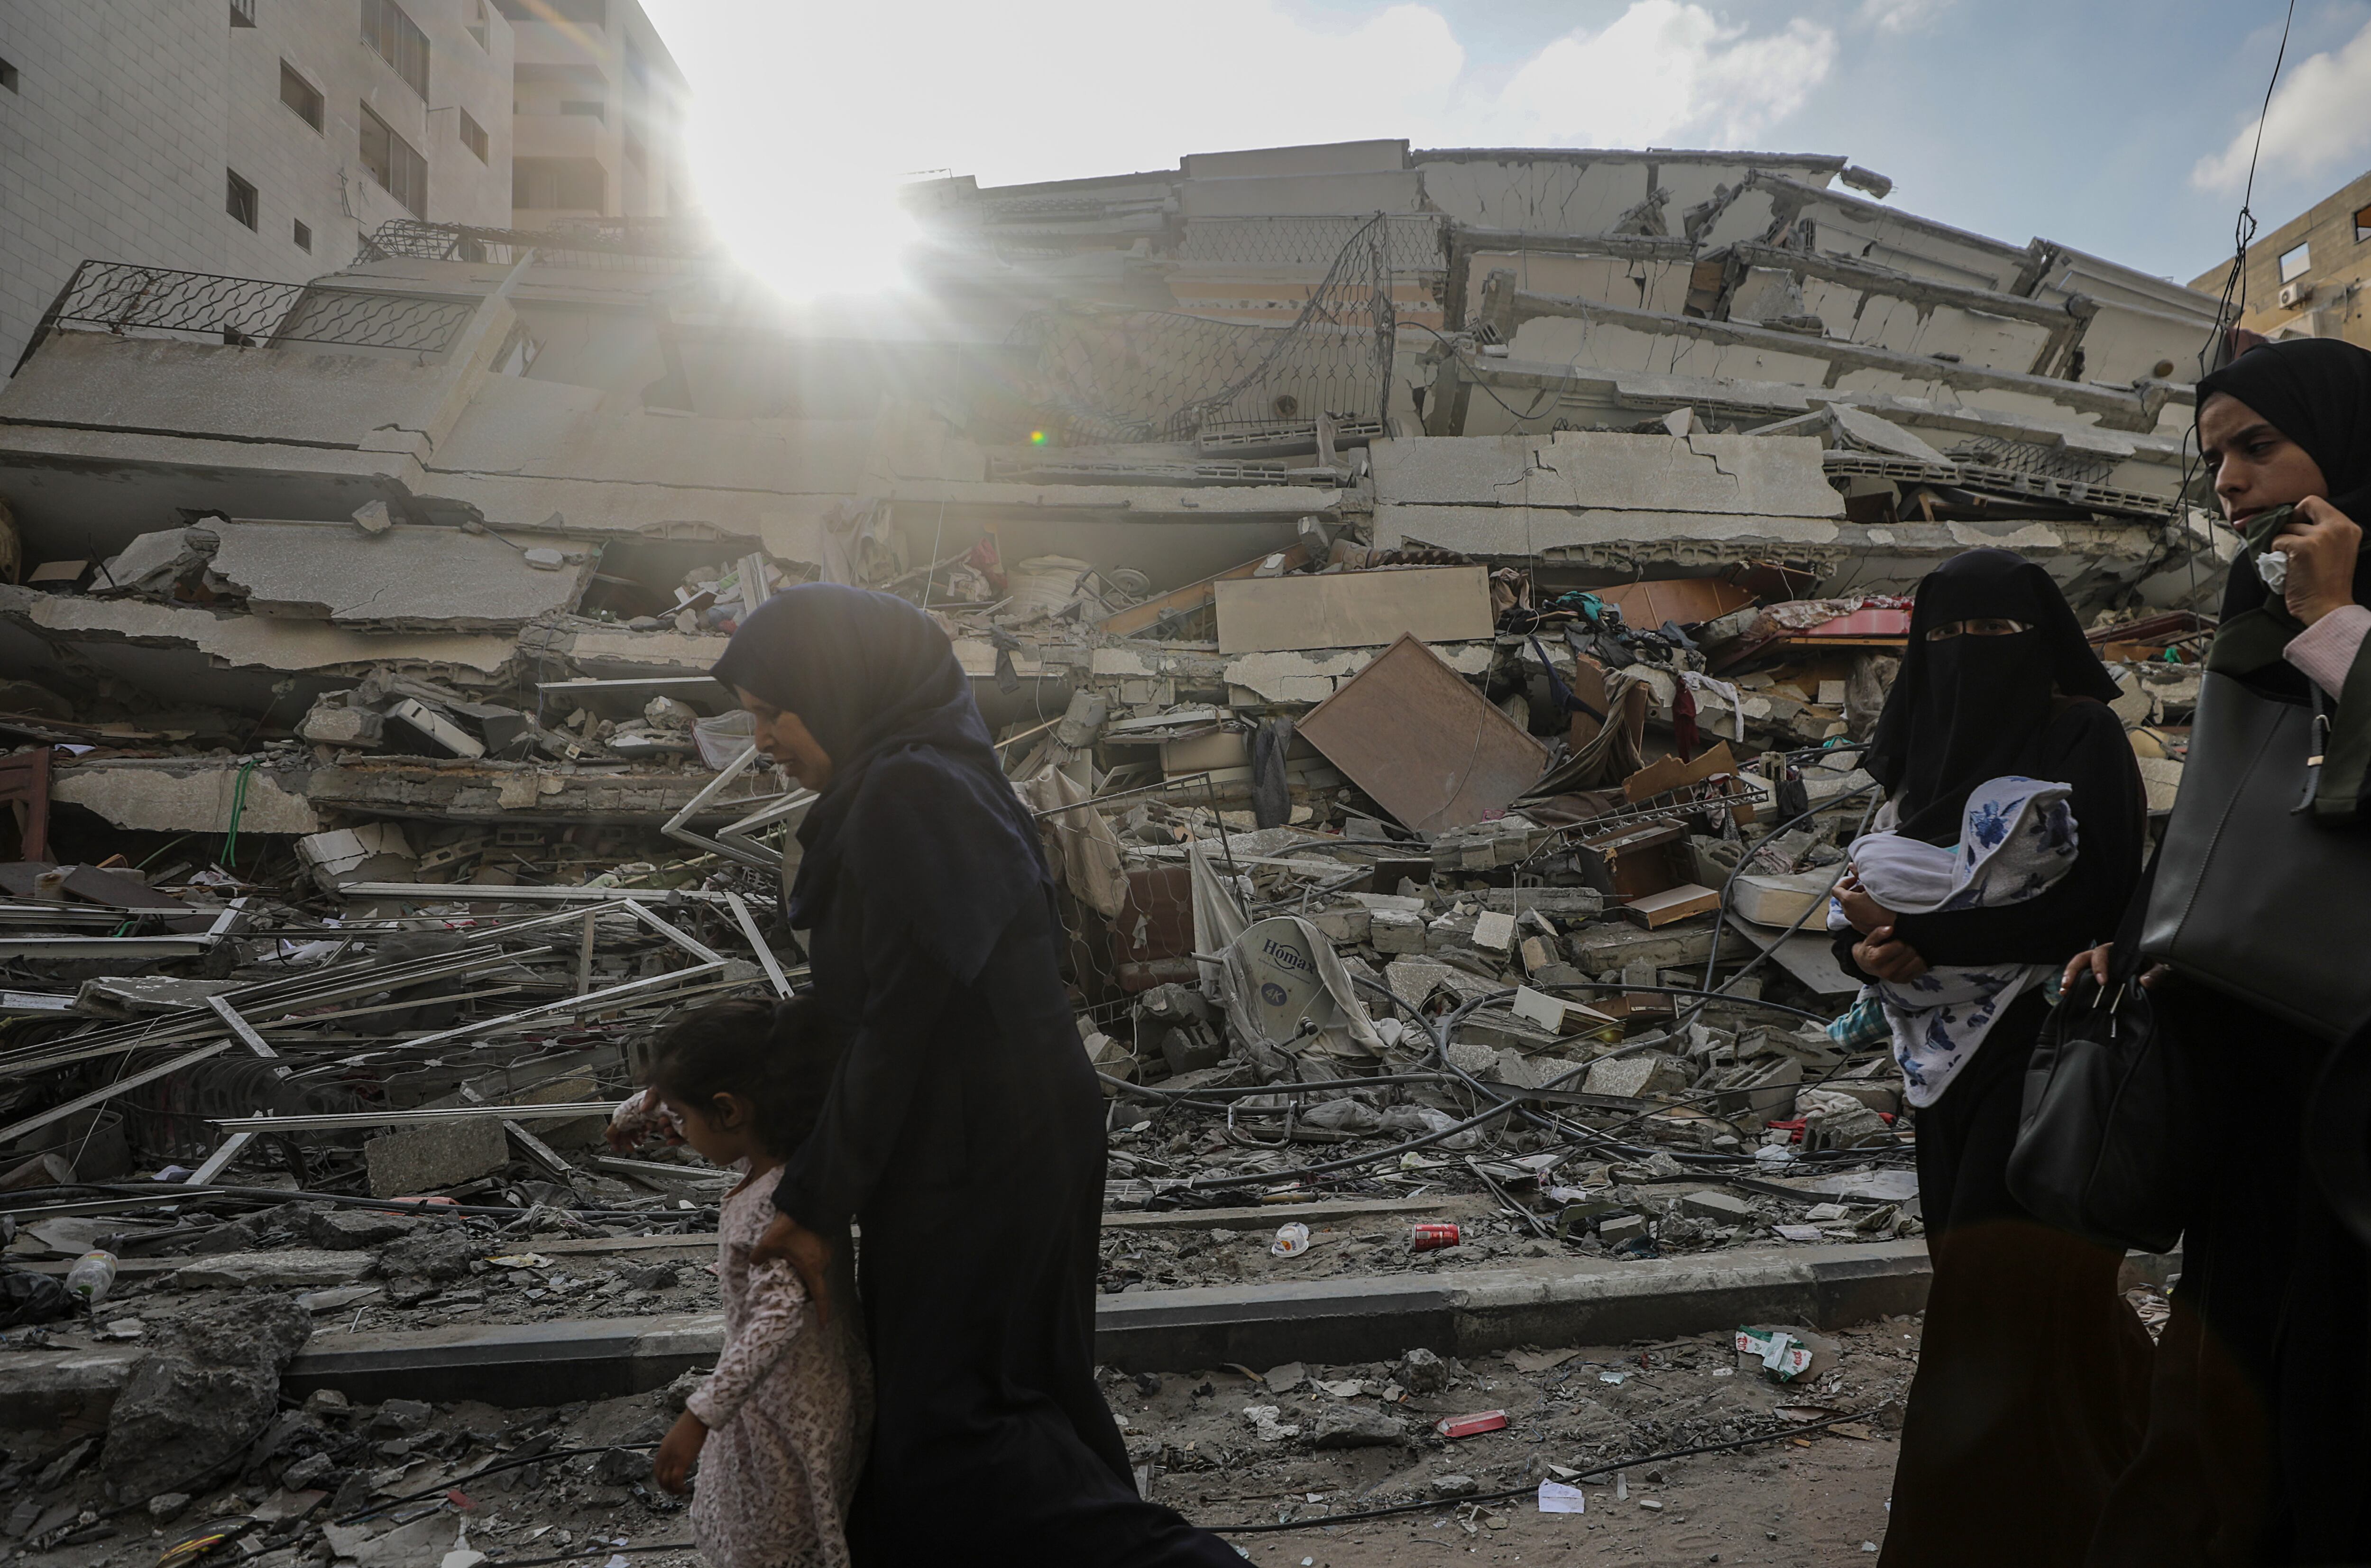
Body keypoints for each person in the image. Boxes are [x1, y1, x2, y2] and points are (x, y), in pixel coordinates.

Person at [708, 583, 1241, 1566]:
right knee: (1019, 1397)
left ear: (830, 690)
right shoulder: (924, 780)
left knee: (957, 1432)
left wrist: (817, 1197)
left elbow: (900, 1026)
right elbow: (869, 1012)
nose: (763, 741)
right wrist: (678, 1088)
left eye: (768, 712)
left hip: (978, 1157)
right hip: (999, 1137)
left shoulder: (909, 793)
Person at [2077, 337, 2371, 1568]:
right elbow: (2226, 802)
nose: (2233, 483)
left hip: (2354, 1080)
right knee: (2227, 1375)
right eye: (2216, 461)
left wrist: (2343, 620)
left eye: (2259, 445)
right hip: (2248, 1056)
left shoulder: (2315, 601)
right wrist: (2147, 933)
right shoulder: (2261, 601)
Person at [1832, 548, 2153, 1568]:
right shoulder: (1916, 756)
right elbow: (1866, 897)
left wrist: (1928, 941)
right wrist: (1865, 949)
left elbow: (2100, 895)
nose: (1967, 657)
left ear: (2040, 638)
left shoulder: (2081, 734)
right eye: (1945, 637)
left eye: (1994, 636)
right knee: (2037, 1306)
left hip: (2048, 1043)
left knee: (1987, 1306)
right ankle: (2141, 1483)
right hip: (1939, 1065)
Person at [638, 997, 871, 1568]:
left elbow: (777, 1319)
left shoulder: (771, 1213)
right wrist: (638, 1110)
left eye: (682, 1118)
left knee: (767, 1541)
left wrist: (699, 1416)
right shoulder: (796, 1175)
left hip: (784, 1418)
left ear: (728, 1111)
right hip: (798, 1396)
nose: (677, 1130)